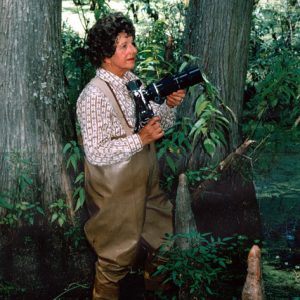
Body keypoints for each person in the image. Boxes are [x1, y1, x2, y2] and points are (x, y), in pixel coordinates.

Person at [76, 12, 185, 300]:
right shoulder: (93, 96)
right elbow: (96, 152)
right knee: (114, 259)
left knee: (164, 240)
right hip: (115, 193)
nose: (133, 50)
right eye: (124, 45)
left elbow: (161, 124)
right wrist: (140, 139)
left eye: (132, 42)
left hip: (146, 182)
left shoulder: (132, 81)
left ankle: (156, 292)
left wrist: (170, 105)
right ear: (105, 54)